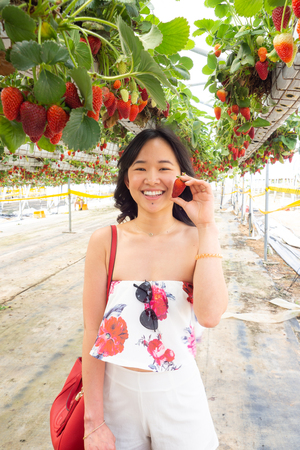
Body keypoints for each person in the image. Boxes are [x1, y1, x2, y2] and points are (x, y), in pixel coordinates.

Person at [82, 127, 228, 450]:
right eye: (140, 168)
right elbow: (92, 331)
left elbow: (210, 314)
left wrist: (207, 226)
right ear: (126, 179)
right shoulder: (105, 242)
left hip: (178, 390)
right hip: (117, 393)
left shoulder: (197, 238)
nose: (152, 179)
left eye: (164, 168)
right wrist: (93, 421)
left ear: (182, 178)